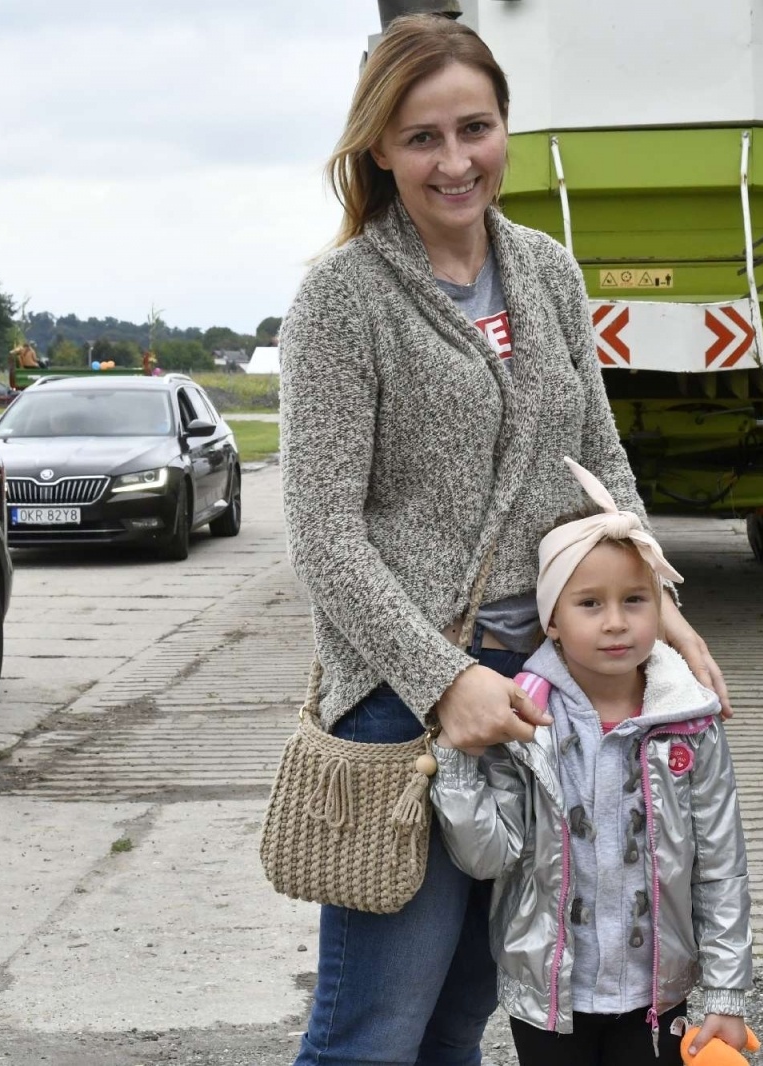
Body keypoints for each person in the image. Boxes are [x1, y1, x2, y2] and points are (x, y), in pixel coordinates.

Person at [277, 14, 731, 1066]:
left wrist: (662, 614)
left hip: (539, 694)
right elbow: (321, 529)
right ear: (378, 148)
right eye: (423, 136)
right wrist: (443, 681)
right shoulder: (341, 301)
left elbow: (601, 468)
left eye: (473, 129)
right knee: (374, 1028)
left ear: (505, 130)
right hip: (401, 703)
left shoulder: (546, 272)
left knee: (468, 1014)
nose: (453, 160)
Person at [430, 458, 751, 1066]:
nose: (614, 623)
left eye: (635, 600)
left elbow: (721, 867)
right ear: (551, 619)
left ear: (660, 611)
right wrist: (455, 763)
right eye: (589, 603)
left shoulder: (691, 723)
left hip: (660, 994)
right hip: (550, 1004)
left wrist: (728, 993)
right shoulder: (524, 720)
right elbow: (487, 856)